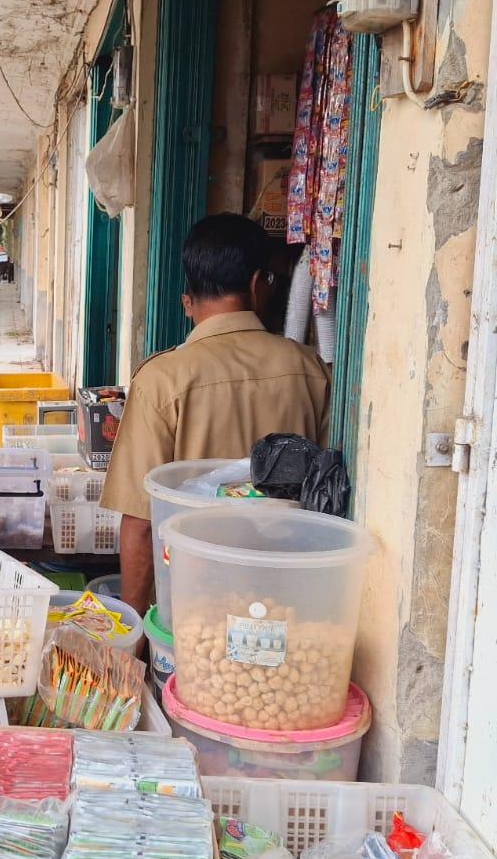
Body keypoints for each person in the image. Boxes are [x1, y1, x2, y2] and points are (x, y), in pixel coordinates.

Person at [99, 213, 331, 614]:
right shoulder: (311, 368)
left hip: (191, 603)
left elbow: (140, 523)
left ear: (189, 296)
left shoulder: (162, 378)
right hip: (289, 600)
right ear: (259, 283)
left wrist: (135, 630)